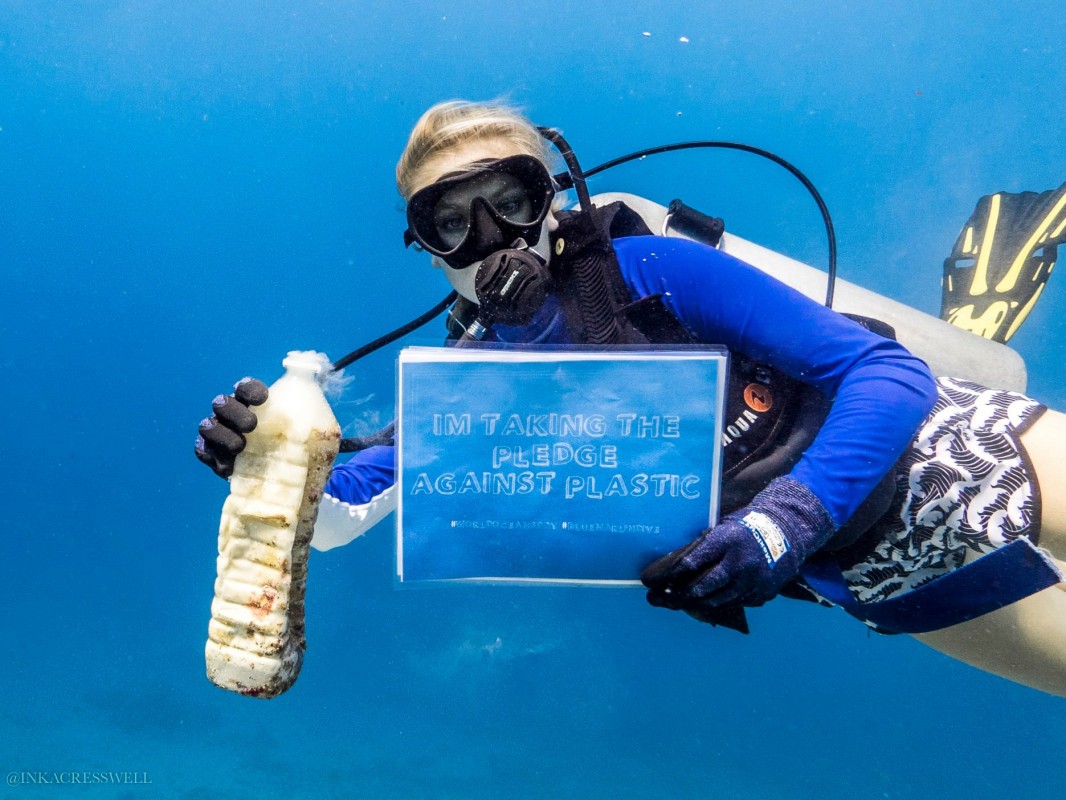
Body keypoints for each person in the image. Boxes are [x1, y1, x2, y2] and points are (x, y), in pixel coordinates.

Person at [197, 99, 1066, 697]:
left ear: (552, 200)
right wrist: (266, 458)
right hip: (879, 573)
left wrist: (785, 520)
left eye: (511, 198)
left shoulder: (650, 270)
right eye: (452, 221)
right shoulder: (466, 387)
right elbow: (349, 513)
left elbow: (890, 375)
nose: (491, 235)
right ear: (428, 251)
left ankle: (980, 332)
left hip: (955, 445)